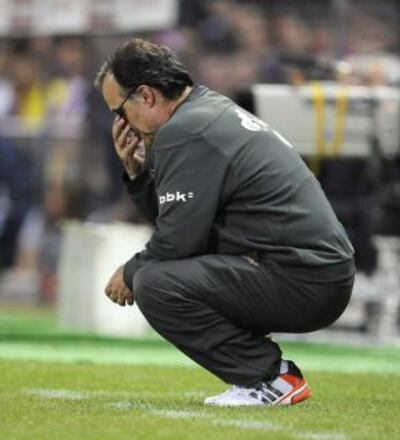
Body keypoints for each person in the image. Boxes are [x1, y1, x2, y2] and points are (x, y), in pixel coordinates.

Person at [95, 38, 355, 407]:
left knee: (154, 283)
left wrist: (132, 270)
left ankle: (270, 379)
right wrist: (138, 176)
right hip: (314, 272)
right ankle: (267, 374)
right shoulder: (204, 111)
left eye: (119, 111)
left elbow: (178, 242)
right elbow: (181, 224)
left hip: (304, 277)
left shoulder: (186, 131)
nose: (121, 123)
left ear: (146, 96)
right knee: (160, 274)